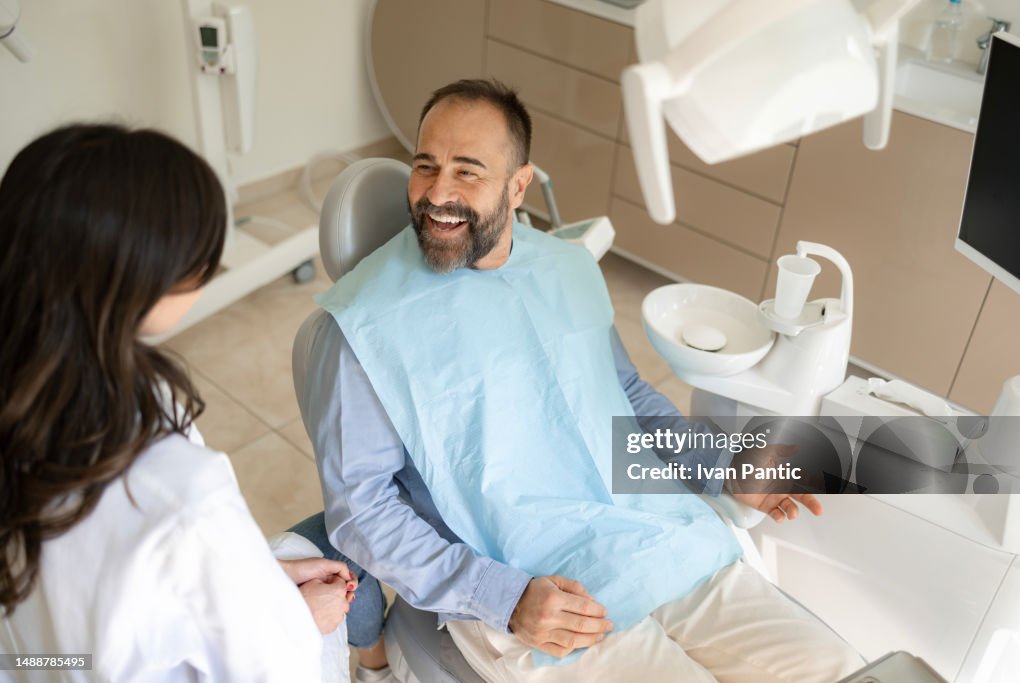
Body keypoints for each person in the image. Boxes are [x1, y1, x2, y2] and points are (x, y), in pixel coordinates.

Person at [301, 79, 865, 682]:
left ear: (519, 186)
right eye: (425, 165)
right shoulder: (365, 327)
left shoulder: (565, 268)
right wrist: (505, 597)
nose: (438, 193)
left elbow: (627, 398)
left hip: (656, 539)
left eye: (468, 172)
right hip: (535, 589)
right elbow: (361, 510)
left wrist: (724, 466)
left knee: (839, 670)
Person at [0, 124, 356, 681]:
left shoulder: (24, 395)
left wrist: (253, 576)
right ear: (140, 282)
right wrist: (297, 617)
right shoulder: (178, 493)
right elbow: (274, 668)